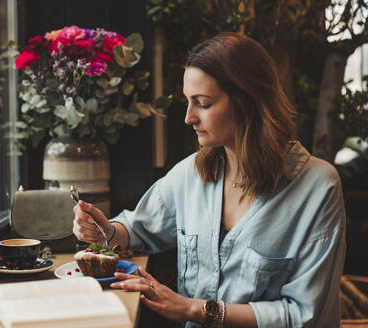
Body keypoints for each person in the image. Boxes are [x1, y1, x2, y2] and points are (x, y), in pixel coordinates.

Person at [73, 32, 346, 328]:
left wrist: (194, 309)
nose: (188, 117)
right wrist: (105, 230)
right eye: (188, 102)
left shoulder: (319, 188)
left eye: (202, 103)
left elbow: (304, 315)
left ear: (247, 102)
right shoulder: (192, 174)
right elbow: (138, 228)